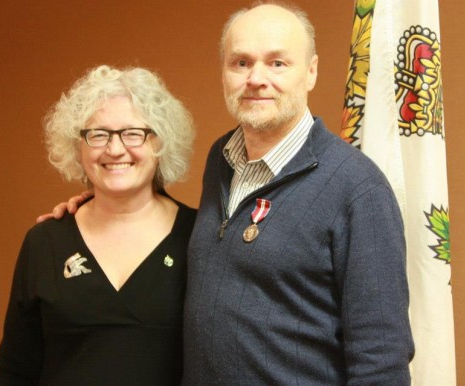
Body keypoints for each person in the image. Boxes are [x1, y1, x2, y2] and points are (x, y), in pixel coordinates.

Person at [45, 2, 415, 384]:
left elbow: (381, 360)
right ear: (223, 73)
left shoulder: (358, 188)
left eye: (277, 63)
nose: (256, 78)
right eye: (241, 62)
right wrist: (101, 208)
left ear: (311, 71)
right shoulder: (221, 161)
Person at [0, 65, 196, 385]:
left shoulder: (200, 239)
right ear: (79, 146)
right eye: (98, 134)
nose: (115, 149)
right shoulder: (44, 242)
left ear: (160, 143)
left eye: (133, 133)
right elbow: (17, 371)